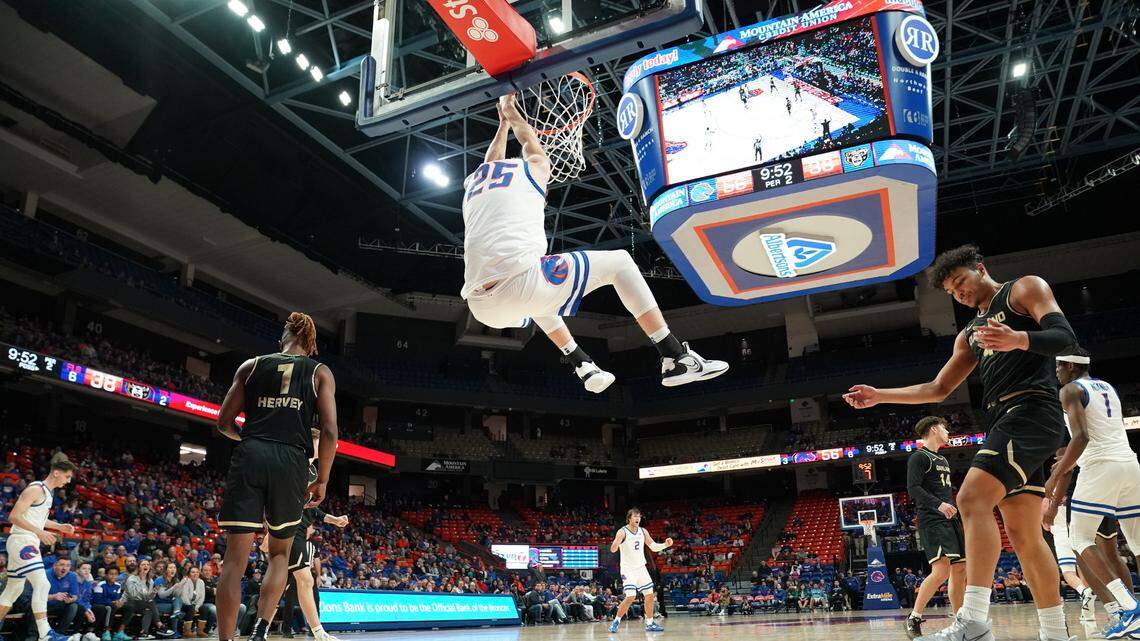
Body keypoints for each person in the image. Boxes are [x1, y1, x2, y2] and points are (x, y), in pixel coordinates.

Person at [845, 244, 1077, 641]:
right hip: (1005, 419)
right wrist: (880, 394)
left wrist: (1019, 338)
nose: (960, 293)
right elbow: (937, 388)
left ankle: (974, 620)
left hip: (1032, 410)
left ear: (980, 269)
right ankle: (1056, 633)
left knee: (970, 499)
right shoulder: (970, 333)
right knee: (1024, 534)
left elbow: (1064, 336)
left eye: (961, 282)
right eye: (952, 291)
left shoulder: (1023, 289)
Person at [461, 95, 728, 394]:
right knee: (620, 262)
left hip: (482, 306)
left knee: (541, 296)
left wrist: (502, 126)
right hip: (520, 283)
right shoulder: (530, 173)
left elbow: (491, 162)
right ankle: (675, 356)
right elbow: (531, 148)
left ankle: (583, 365)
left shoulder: (474, 186)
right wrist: (512, 116)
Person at [214, 312, 339, 641]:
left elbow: (223, 423)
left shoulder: (251, 366)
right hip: (292, 461)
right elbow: (328, 431)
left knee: (234, 560)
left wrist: (253, 442)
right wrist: (322, 478)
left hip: (251, 452)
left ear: (284, 335)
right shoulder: (320, 372)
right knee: (280, 555)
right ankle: (260, 631)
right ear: (310, 343)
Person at [1042, 348, 1140, 638]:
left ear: (1071, 366)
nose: (1056, 372)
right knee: (1137, 543)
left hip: (1100, 468)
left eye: (1059, 367)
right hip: (1130, 464)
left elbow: (1083, 437)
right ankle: (1131, 612)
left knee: (1079, 539)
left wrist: (1055, 475)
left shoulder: (1071, 389)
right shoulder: (1106, 387)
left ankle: (1128, 608)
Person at [275, 434, 349, 641]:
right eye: (320, 443)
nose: (324, 447)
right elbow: (279, 496)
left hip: (298, 528)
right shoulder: (294, 464)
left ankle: (260, 630)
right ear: (310, 443)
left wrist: (332, 519)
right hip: (291, 527)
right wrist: (269, 529)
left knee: (280, 584)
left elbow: (309, 508)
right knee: (304, 579)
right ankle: (318, 633)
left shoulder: (313, 470)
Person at [0, 452, 78, 641]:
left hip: (26, 540)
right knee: (43, 584)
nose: (68, 481)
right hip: (22, 540)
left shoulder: (47, 494)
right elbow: (14, 517)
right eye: (67, 476)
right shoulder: (36, 488)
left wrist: (59, 526)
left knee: (14, 589)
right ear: (57, 472)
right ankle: (45, 634)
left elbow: (37, 519)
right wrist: (40, 532)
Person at [906, 416, 968, 638]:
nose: (948, 431)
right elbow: (913, 488)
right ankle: (914, 617)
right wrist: (939, 505)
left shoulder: (942, 459)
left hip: (950, 518)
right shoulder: (919, 457)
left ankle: (960, 619)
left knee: (960, 569)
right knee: (941, 571)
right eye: (944, 428)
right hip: (932, 518)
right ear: (934, 429)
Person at [608, 508, 672, 632]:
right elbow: (613, 549)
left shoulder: (643, 531)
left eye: (639, 516)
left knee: (649, 595)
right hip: (628, 570)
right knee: (631, 596)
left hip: (641, 568)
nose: (638, 518)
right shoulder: (622, 532)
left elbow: (653, 546)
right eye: (635, 516)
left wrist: (665, 544)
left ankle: (649, 623)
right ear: (629, 518)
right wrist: (615, 545)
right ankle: (616, 621)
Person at [91, 566, 123, 641]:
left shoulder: (118, 585)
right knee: (111, 607)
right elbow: (97, 599)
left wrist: (118, 602)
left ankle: (120, 632)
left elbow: (117, 598)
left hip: (111, 605)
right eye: (111, 574)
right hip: (98, 604)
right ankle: (107, 631)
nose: (113, 576)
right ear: (106, 575)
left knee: (128, 607)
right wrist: (112, 602)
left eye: (115, 574)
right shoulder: (100, 584)